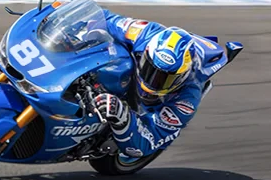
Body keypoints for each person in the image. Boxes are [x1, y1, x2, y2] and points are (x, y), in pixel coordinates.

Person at [86, 11, 231, 167]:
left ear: (182, 76)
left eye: (165, 79)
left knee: (140, 145)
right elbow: (104, 17)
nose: (154, 81)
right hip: (125, 64)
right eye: (150, 69)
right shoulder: (142, 33)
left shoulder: (187, 99)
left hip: (143, 124)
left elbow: (145, 144)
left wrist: (122, 118)